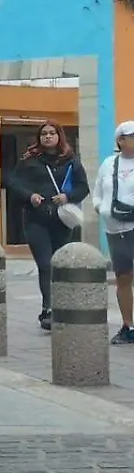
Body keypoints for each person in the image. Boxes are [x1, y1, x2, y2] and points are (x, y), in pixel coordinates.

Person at [4, 120, 90, 331]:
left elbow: (83, 187)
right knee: (45, 264)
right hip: (36, 219)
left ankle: (61, 306)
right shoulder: (29, 160)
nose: (48, 137)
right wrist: (29, 195)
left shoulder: (71, 161)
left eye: (52, 133)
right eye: (44, 134)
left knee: (59, 263)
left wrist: (67, 196)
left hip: (61, 219)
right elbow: (13, 183)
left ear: (59, 136)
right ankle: (48, 308)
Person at [94, 121, 134, 344]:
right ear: (121, 140)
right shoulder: (109, 164)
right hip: (114, 228)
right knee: (123, 276)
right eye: (132, 136)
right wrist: (102, 208)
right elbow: (97, 192)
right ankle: (129, 325)